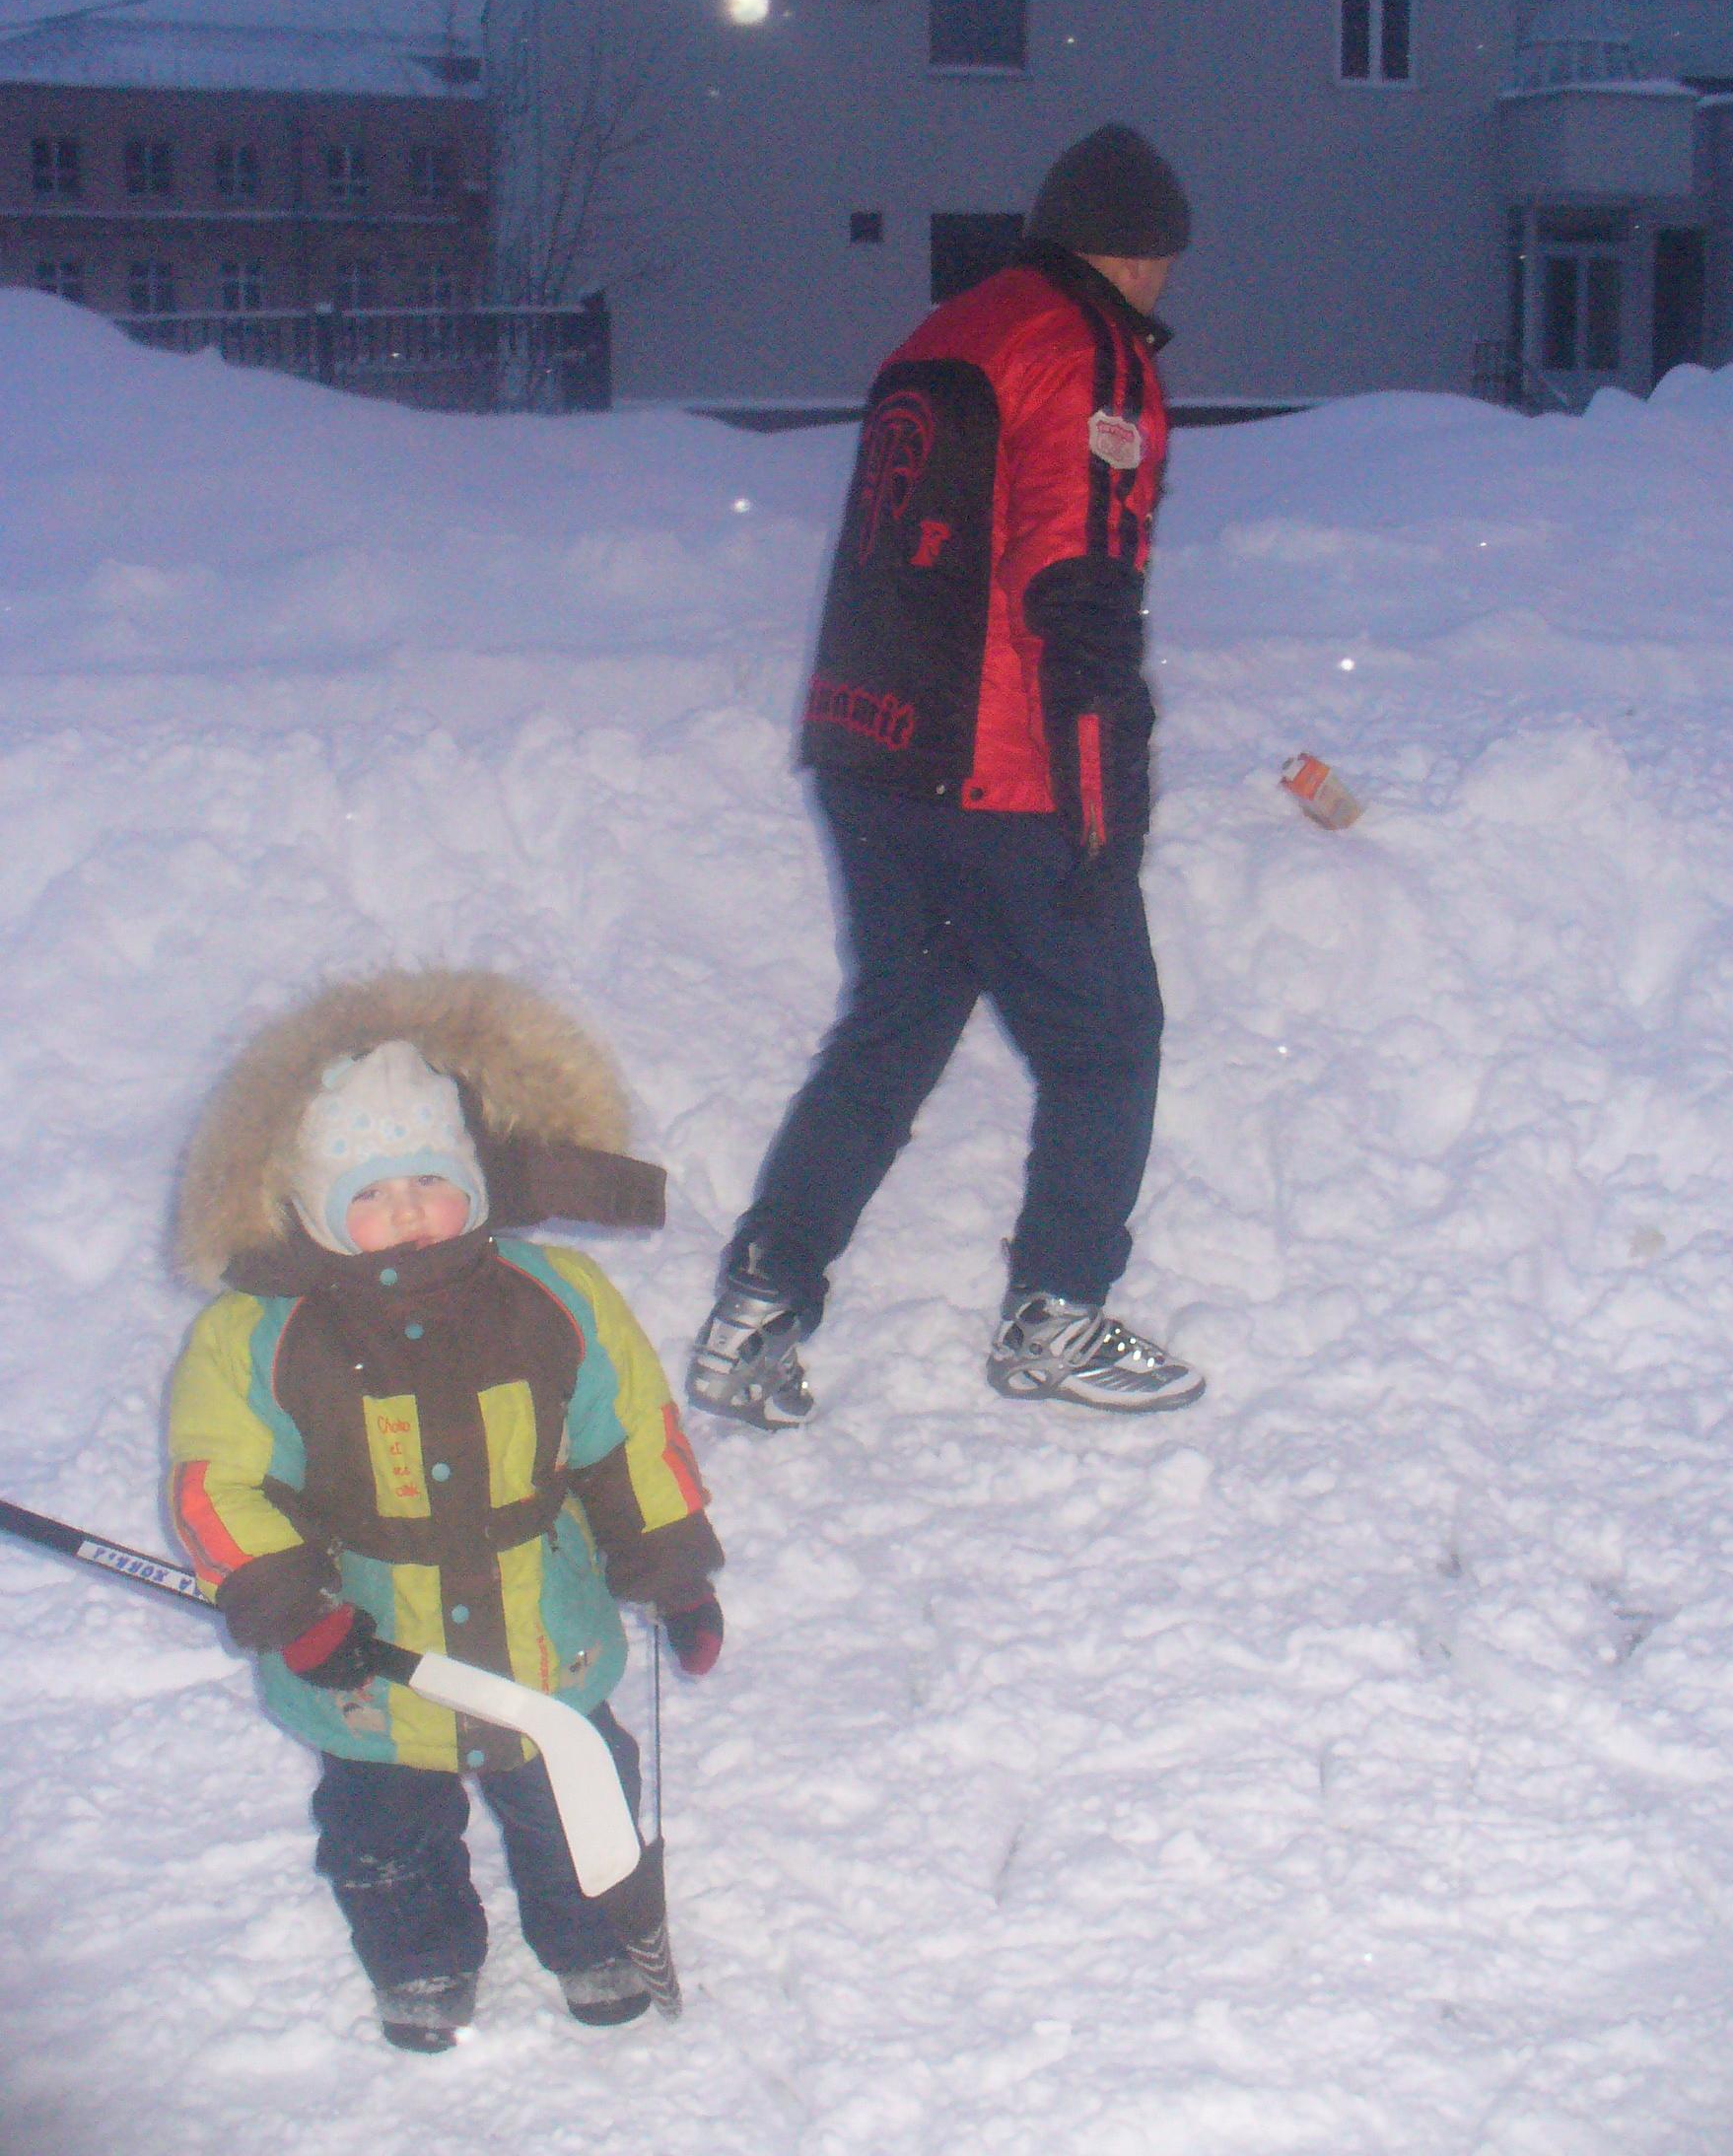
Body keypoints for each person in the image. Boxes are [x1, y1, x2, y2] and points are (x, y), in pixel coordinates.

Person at [688, 122, 1205, 1432]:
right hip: (997, 774)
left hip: (870, 749)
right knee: (1110, 1040)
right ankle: (1056, 1313)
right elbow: (1079, 592)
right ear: (1135, 254)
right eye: (1163, 261)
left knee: (895, 1029)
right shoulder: (1090, 354)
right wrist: (1105, 810)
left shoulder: (944, 335)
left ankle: (760, 1303)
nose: (1164, 286)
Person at [167, 968, 724, 2053]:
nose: (408, 1212)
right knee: (385, 1831)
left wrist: (675, 1572)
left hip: (542, 1634)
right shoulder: (259, 1336)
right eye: (369, 1193)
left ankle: (595, 1938)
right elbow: (218, 1485)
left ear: (474, 1177)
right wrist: (296, 1606)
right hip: (370, 1656)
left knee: (577, 1794)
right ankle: (420, 1961)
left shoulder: (555, 1294)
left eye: (430, 1179)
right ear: (307, 1206)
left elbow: (629, 1436)